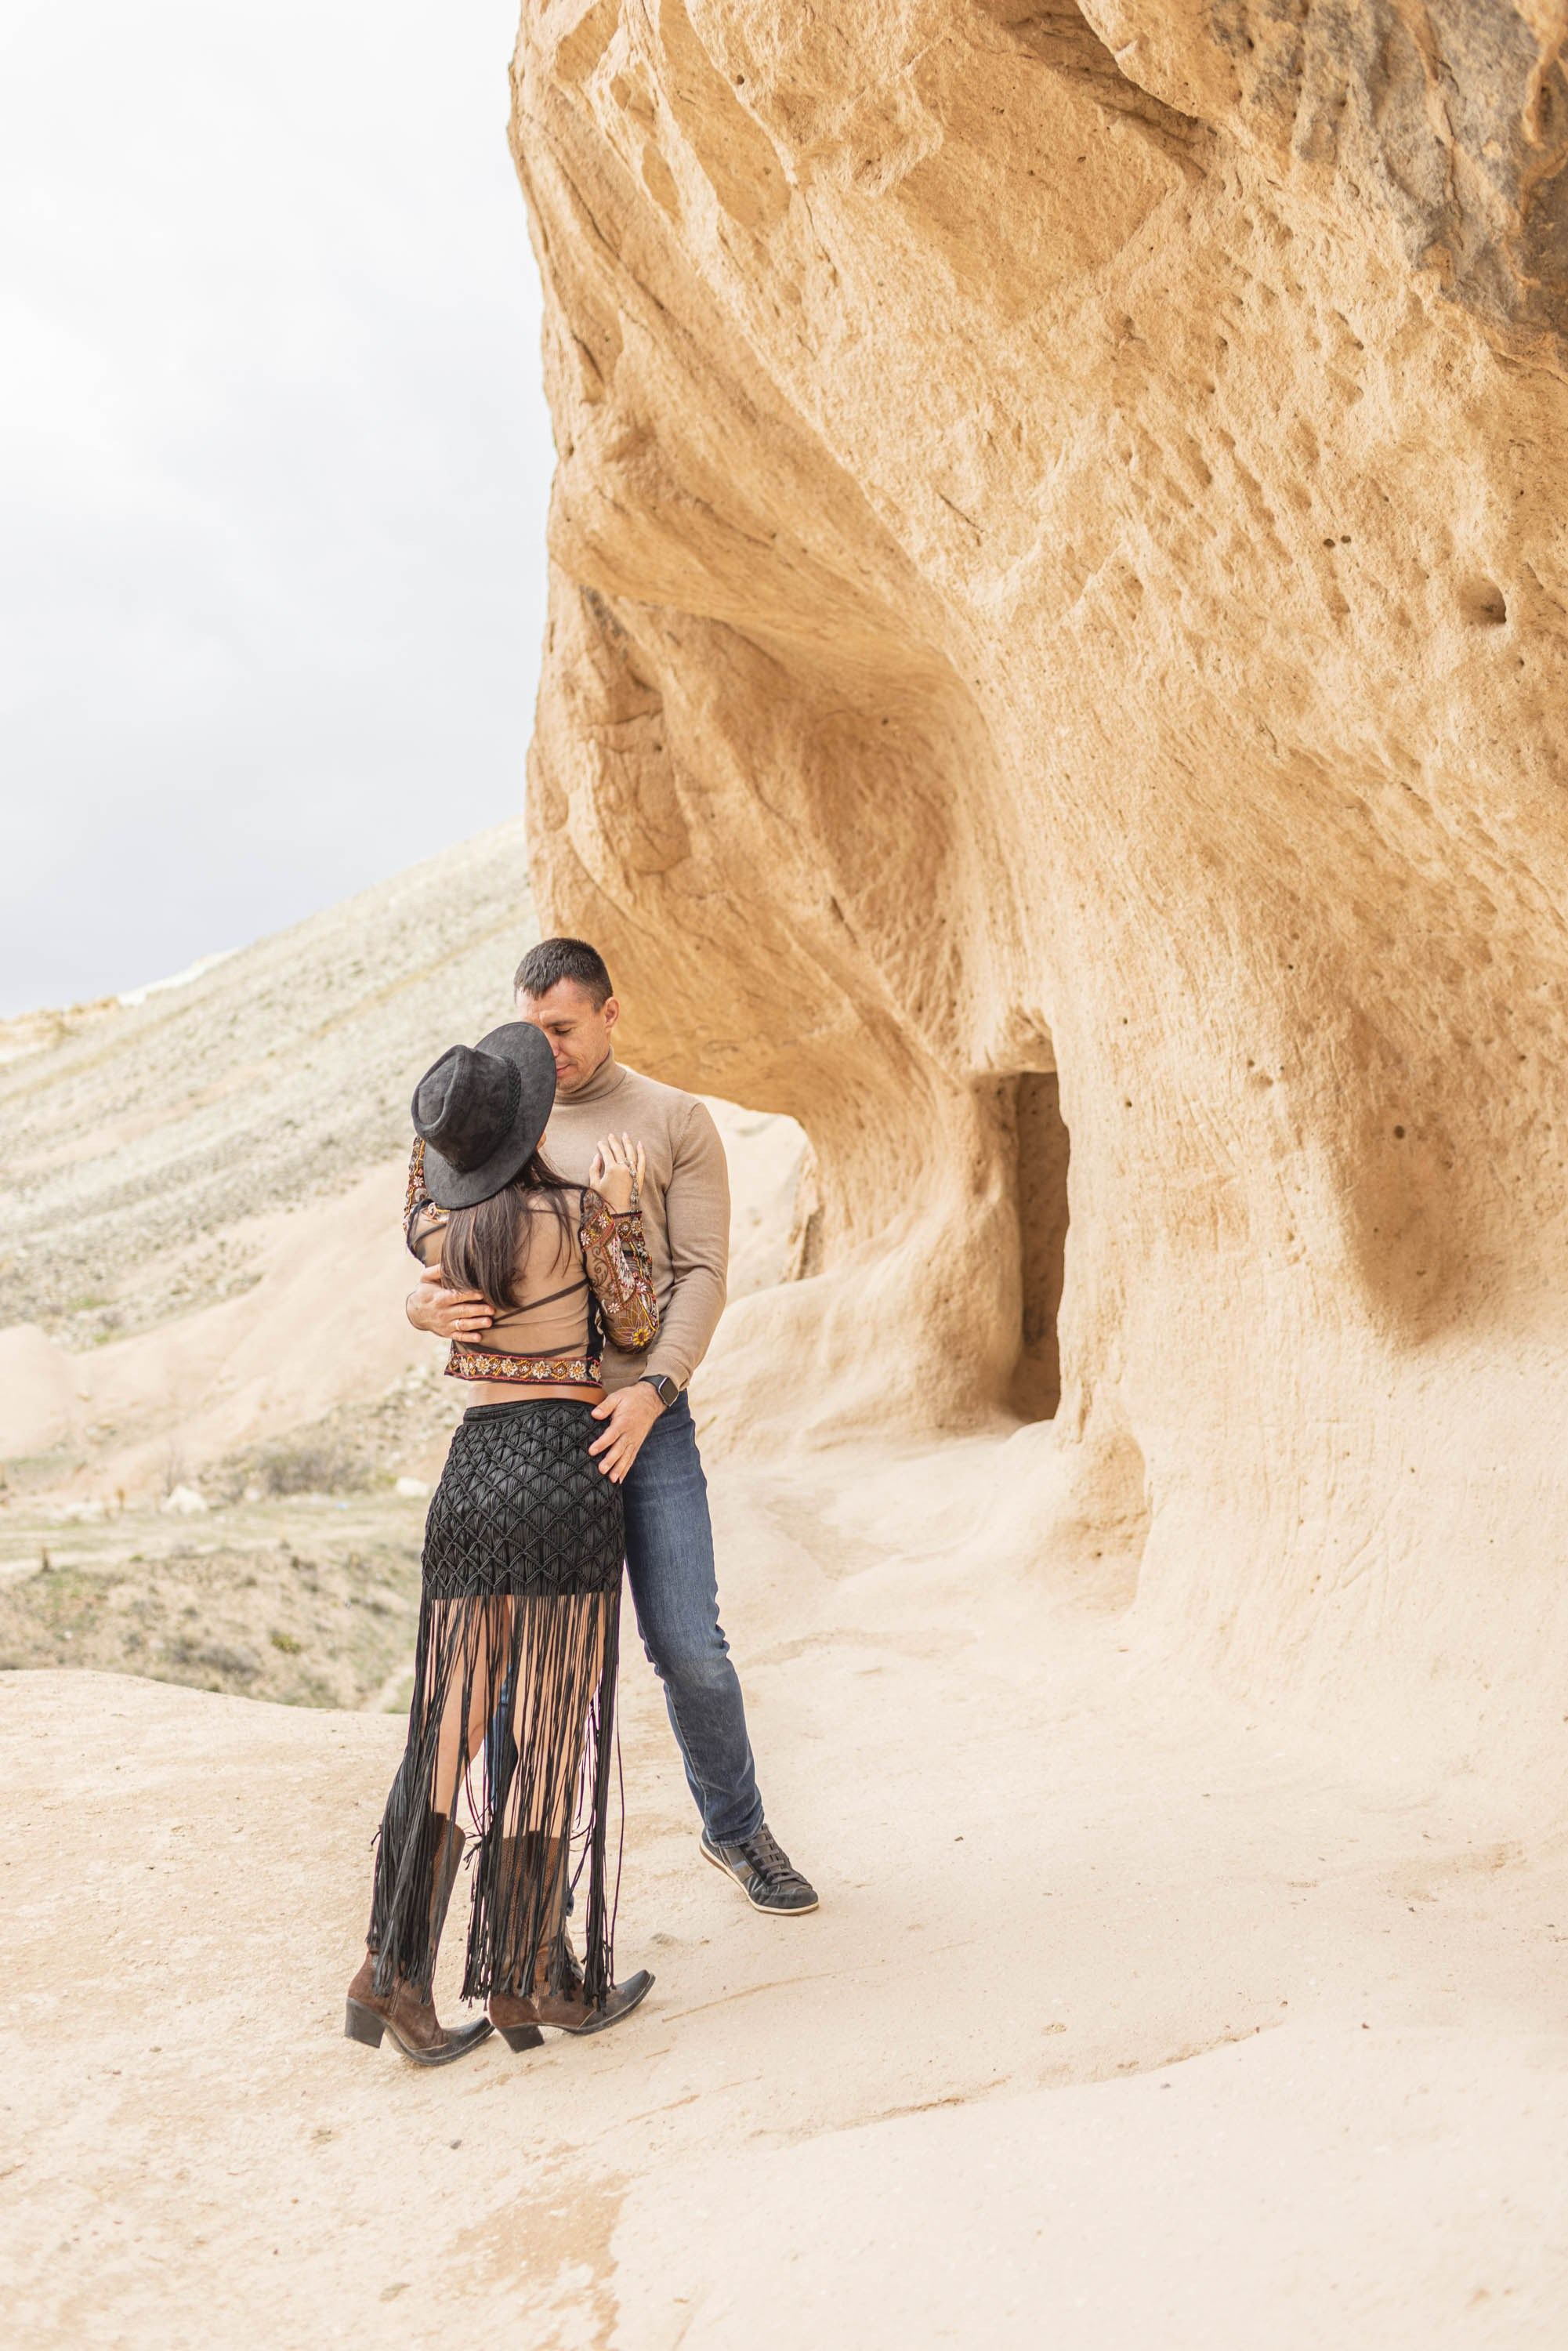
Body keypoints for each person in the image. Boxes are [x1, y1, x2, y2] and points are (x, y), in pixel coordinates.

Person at [407, 937, 819, 1919]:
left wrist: (655, 1390)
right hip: (541, 1438)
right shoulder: (507, 1122)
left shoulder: (675, 1120)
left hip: (649, 1420)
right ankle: (524, 1898)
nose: (547, 1049)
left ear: (610, 1013)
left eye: (564, 1028)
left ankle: (737, 1829)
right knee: (534, 1674)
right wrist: (419, 1308)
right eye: (532, 1027)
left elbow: (703, 1275)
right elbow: (449, 1246)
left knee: (690, 1647)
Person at [346, 1020, 661, 2065]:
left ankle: (392, 1971)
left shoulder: (444, 1239)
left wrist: (440, 1154)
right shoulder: (576, 1216)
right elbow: (636, 1326)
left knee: (446, 1729)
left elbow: (414, 1203)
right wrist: (618, 1215)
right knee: (544, 1729)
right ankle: (530, 1974)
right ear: (531, 1128)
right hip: (564, 1473)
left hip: (472, 1477)